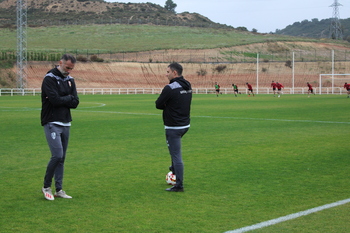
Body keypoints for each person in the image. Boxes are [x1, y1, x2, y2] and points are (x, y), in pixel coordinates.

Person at [41, 54, 79, 200]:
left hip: (66, 121)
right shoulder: (49, 78)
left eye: (71, 68)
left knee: (62, 158)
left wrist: (67, 99)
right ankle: (46, 186)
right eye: (67, 67)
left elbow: (75, 102)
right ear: (60, 63)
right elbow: (55, 101)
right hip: (51, 121)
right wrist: (68, 98)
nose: (69, 70)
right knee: (57, 155)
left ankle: (59, 189)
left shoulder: (70, 80)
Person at [155, 62, 192, 192]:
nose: (166, 74)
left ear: (174, 73)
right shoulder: (187, 85)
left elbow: (158, 104)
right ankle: (174, 170)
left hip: (173, 127)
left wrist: (168, 106)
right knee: (174, 152)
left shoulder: (170, 88)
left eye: (168, 72)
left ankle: (179, 185)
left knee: (176, 155)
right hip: (185, 124)